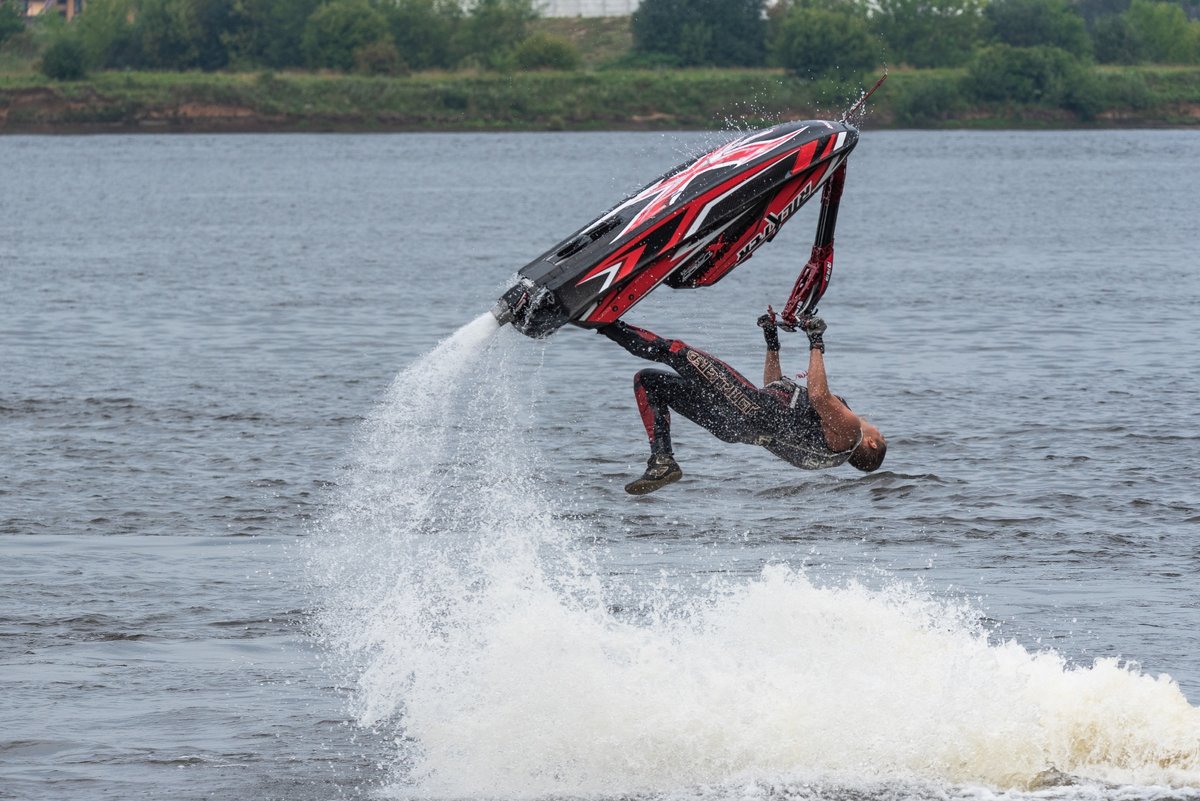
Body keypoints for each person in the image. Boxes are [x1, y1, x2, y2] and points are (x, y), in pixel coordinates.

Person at [599, 309, 886, 494]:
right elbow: (774, 388)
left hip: (749, 409)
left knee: (676, 352)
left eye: (879, 432)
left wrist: (816, 341)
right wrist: (772, 341)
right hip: (735, 427)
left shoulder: (850, 433)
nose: (874, 426)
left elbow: (819, 395)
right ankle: (662, 460)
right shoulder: (825, 456)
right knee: (650, 382)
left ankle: (599, 319)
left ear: (871, 443)